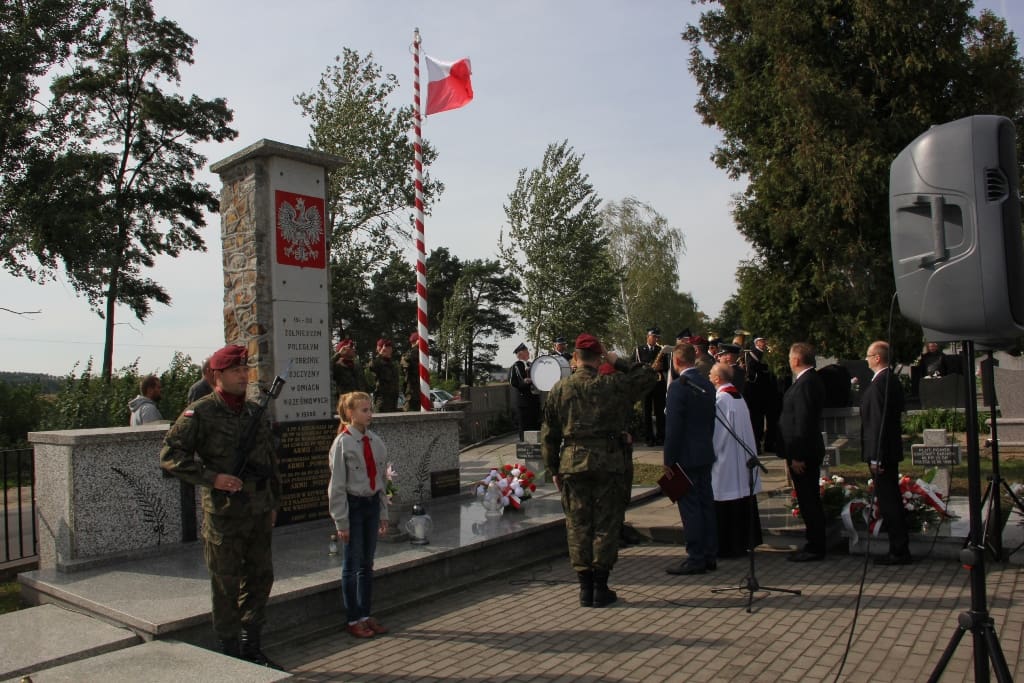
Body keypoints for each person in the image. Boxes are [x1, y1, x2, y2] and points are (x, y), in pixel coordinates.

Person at [159, 344, 282, 668]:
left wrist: (273, 502)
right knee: (226, 584)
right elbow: (170, 456)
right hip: (225, 514)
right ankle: (230, 653)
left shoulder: (255, 411)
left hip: (258, 510)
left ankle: (251, 646)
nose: (243, 376)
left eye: (245, 369)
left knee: (260, 578)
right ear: (218, 375)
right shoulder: (200, 412)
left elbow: (270, 462)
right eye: (236, 371)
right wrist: (212, 478)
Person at [541, 333, 657, 607]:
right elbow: (649, 376)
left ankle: (585, 588)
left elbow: (549, 434)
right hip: (609, 462)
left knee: (578, 523)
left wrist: (553, 468)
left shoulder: (560, 388)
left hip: (573, 463)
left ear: (575, 357)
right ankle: (601, 587)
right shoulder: (614, 383)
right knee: (606, 524)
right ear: (599, 356)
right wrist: (616, 360)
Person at [328, 391, 390, 637]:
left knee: (367, 563)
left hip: (371, 504)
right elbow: (337, 486)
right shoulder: (343, 443)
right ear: (350, 413)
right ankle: (353, 618)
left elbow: (381, 481)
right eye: (364, 410)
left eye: (370, 409)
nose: (369, 414)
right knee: (351, 564)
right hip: (353, 506)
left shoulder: (375, 441)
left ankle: (365, 614)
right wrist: (341, 522)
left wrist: (383, 513)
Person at [663, 342, 718, 575]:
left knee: (690, 508)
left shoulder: (678, 387)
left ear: (676, 361)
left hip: (685, 455)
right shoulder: (706, 383)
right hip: (704, 451)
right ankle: (709, 554)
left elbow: (673, 428)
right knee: (706, 504)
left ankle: (696, 557)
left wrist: (668, 460)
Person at [861, 341, 911, 565]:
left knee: (890, 503)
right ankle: (898, 548)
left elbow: (878, 423)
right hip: (888, 450)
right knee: (890, 500)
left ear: (878, 358)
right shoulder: (889, 380)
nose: (866, 359)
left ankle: (898, 550)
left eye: (868, 355)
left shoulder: (881, 383)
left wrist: (876, 456)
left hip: (883, 453)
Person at [777, 342, 827, 562]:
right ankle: (814, 542)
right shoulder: (807, 380)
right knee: (807, 499)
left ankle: (815, 546)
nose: (789, 361)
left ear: (796, 359)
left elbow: (803, 422)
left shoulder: (806, 383)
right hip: (803, 451)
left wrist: (797, 455)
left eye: (790, 358)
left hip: (804, 454)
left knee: (809, 500)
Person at [709, 363, 763, 558]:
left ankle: (728, 546)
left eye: (710, 373)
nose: (708, 376)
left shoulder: (721, 399)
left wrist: (710, 453)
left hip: (727, 460)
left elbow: (718, 433)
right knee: (741, 497)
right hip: (740, 458)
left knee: (726, 499)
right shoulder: (738, 397)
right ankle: (744, 542)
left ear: (717, 378)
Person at [634, 327, 667, 446]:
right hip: (645, 384)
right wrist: (647, 367)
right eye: (654, 337)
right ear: (648, 337)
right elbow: (633, 366)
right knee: (646, 412)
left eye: (658, 337)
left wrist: (661, 367)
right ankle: (648, 438)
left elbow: (667, 367)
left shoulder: (661, 350)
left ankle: (661, 437)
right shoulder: (638, 350)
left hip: (658, 384)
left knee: (660, 411)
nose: (656, 339)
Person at [509, 342, 541, 441]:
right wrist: (525, 382)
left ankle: (536, 444)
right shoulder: (516, 365)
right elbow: (513, 382)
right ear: (520, 354)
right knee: (524, 425)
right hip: (524, 401)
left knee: (535, 424)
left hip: (534, 399)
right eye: (526, 351)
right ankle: (525, 444)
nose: (528, 353)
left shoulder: (531, 364)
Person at [368, 338, 399, 413]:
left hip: (393, 400)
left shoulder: (392, 364)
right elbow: (371, 366)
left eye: (390, 347)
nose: (390, 349)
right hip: (382, 401)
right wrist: (380, 354)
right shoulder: (377, 362)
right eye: (387, 347)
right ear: (380, 348)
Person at [401, 333, 422, 412]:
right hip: (412, 389)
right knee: (409, 412)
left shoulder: (420, 354)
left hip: (420, 389)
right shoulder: (410, 354)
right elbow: (406, 362)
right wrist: (416, 347)